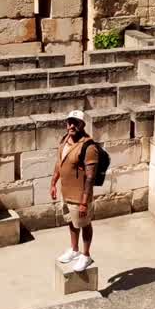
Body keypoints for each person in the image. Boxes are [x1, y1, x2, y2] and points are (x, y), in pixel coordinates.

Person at [51, 109, 99, 272]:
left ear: (82, 125)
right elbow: (59, 162)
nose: (71, 125)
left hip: (80, 195)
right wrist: (53, 182)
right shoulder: (65, 140)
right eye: (69, 122)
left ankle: (86, 255)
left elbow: (90, 177)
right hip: (66, 191)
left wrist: (85, 202)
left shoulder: (88, 146)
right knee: (71, 221)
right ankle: (74, 250)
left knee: (84, 224)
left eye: (75, 122)